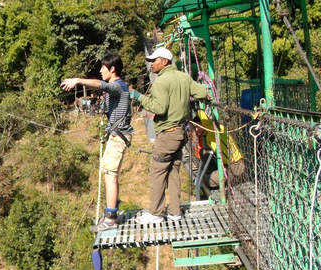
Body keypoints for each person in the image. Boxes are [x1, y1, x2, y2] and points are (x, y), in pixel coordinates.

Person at [129, 47, 208, 223]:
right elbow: (203, 93)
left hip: (167, 134)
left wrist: (139, 97)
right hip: (181, 133)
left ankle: (155, 213)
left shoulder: (161, 82)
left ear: (165, 61)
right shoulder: (184, 77)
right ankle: (175, 211)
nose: (151, 64)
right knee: (173, 172)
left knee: (157, 172)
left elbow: (159, 108)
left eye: (154, 60)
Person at [61, 53, 134, 232]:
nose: (101, 70)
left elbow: (100, 84)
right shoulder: (116, 88)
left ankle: (110, 217)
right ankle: (112, 210)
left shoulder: (118, 86)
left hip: (118, 137)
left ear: (112, 69)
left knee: (110, 174)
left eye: (103, 67)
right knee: (109, 173)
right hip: (116, 135)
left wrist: (77, 80)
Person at [192, 110, 246, 188]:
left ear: (203, 124)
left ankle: (231, 179)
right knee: (203, 151)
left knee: (208, 181)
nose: (196, 130)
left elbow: (206, 121)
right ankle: (218, 176)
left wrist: (198, 110)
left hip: (235, 166)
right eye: (195, 127)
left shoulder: (213, 130)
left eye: (198, 126)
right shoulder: (209, 132)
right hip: (226, 165)